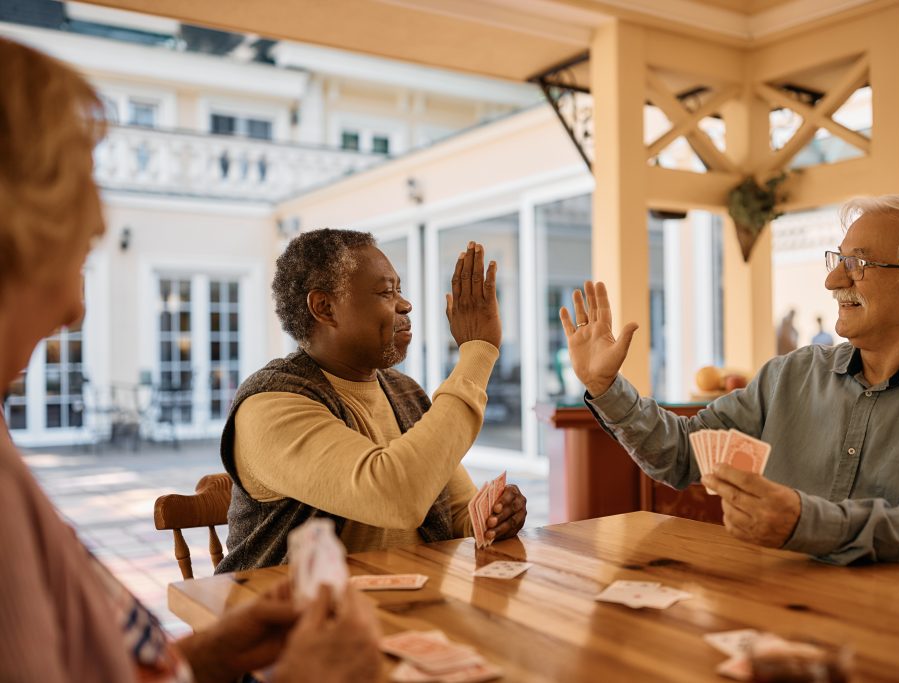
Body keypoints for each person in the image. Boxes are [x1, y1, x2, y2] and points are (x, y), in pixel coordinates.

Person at [0, 37, 381, 682]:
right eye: (71, 250)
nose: (76, 309)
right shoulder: (275, 398)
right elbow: (389, 491)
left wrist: (208, 654)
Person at [559, 195, 899, 576]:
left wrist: (809, 522)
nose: (832, 280)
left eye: (858, 264)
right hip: (779, 616)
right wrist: (606, 385)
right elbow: (683, 456)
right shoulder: (791, 375)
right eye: (838, 260)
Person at [217, 229, 528, 572]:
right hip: (294, 617)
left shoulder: (404, 391)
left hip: (403, 608)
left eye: (400, 289)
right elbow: (397, 496)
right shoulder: (269, 406)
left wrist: (492, 518)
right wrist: (478, 353)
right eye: (385, 292)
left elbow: (454, 512)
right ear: (325, 308)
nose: (405, 304)